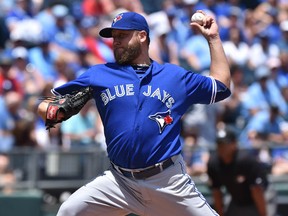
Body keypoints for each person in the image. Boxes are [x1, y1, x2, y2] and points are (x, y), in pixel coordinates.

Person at [37, 10, 231, 216]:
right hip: (120, 183)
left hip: (168, 181)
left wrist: (213, 38)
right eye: (113, 37)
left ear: (142, 36)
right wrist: (51, 110)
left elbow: (221, 86)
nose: (116, 42)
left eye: (122, 36)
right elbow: (45, 106)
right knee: (69, 211)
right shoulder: (99, 74)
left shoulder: (174, 76)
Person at [207, 128, 269, 216]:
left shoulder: (245, 160)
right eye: (219, 144)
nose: (222, 147)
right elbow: (216, 191)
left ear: (234, 144)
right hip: (237, 199)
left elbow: (257, 190)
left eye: (225, 144)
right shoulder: (214, 163)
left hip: (263, 195)